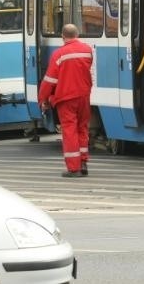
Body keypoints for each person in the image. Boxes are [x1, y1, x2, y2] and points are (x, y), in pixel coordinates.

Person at [38, 23, 95, 177]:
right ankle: (83, 162)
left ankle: (73, 168)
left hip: (66, 98)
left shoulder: (59, 54)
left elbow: (49, 80)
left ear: (63, 37)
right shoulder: (88, 50)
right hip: (84, 96)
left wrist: (43, 99)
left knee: (69, 131)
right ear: (77, 35)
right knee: (82, 128)